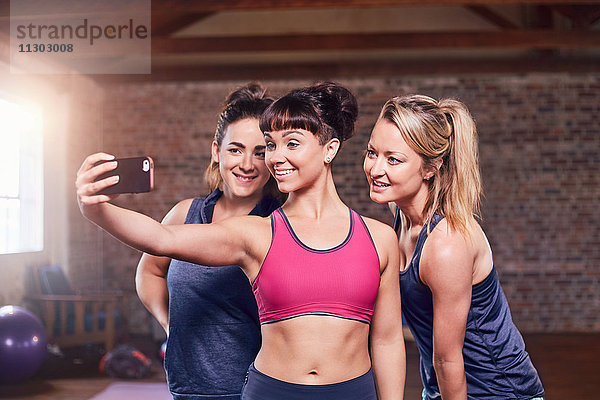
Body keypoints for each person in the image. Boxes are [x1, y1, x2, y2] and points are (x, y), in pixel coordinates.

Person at [77, 82, 405, 400]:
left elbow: (388, 340)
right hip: (268, 390)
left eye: (290, 144)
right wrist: (95, 210)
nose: (275, 157)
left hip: (352, 391)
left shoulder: (379, 238)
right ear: (217, 151)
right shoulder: (256, 232)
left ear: (329, 149)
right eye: (271, 145)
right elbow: (161, 239)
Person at [363, 94, 545, 400]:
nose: (376, 168)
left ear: (430, 169)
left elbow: (447, 359)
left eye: (393, 159)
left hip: (498, 392)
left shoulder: (446, 244)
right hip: (441, 388)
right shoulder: (400, 219)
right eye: (372, 153)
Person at [135, 83, 282, 400]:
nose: (247, 164)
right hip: (187, 386)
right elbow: (148, 272)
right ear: (216, 152)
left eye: (261, 152)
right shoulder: (183, 215)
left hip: (257, 389)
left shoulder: (281, 223)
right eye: (235, 149)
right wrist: (168, 323)